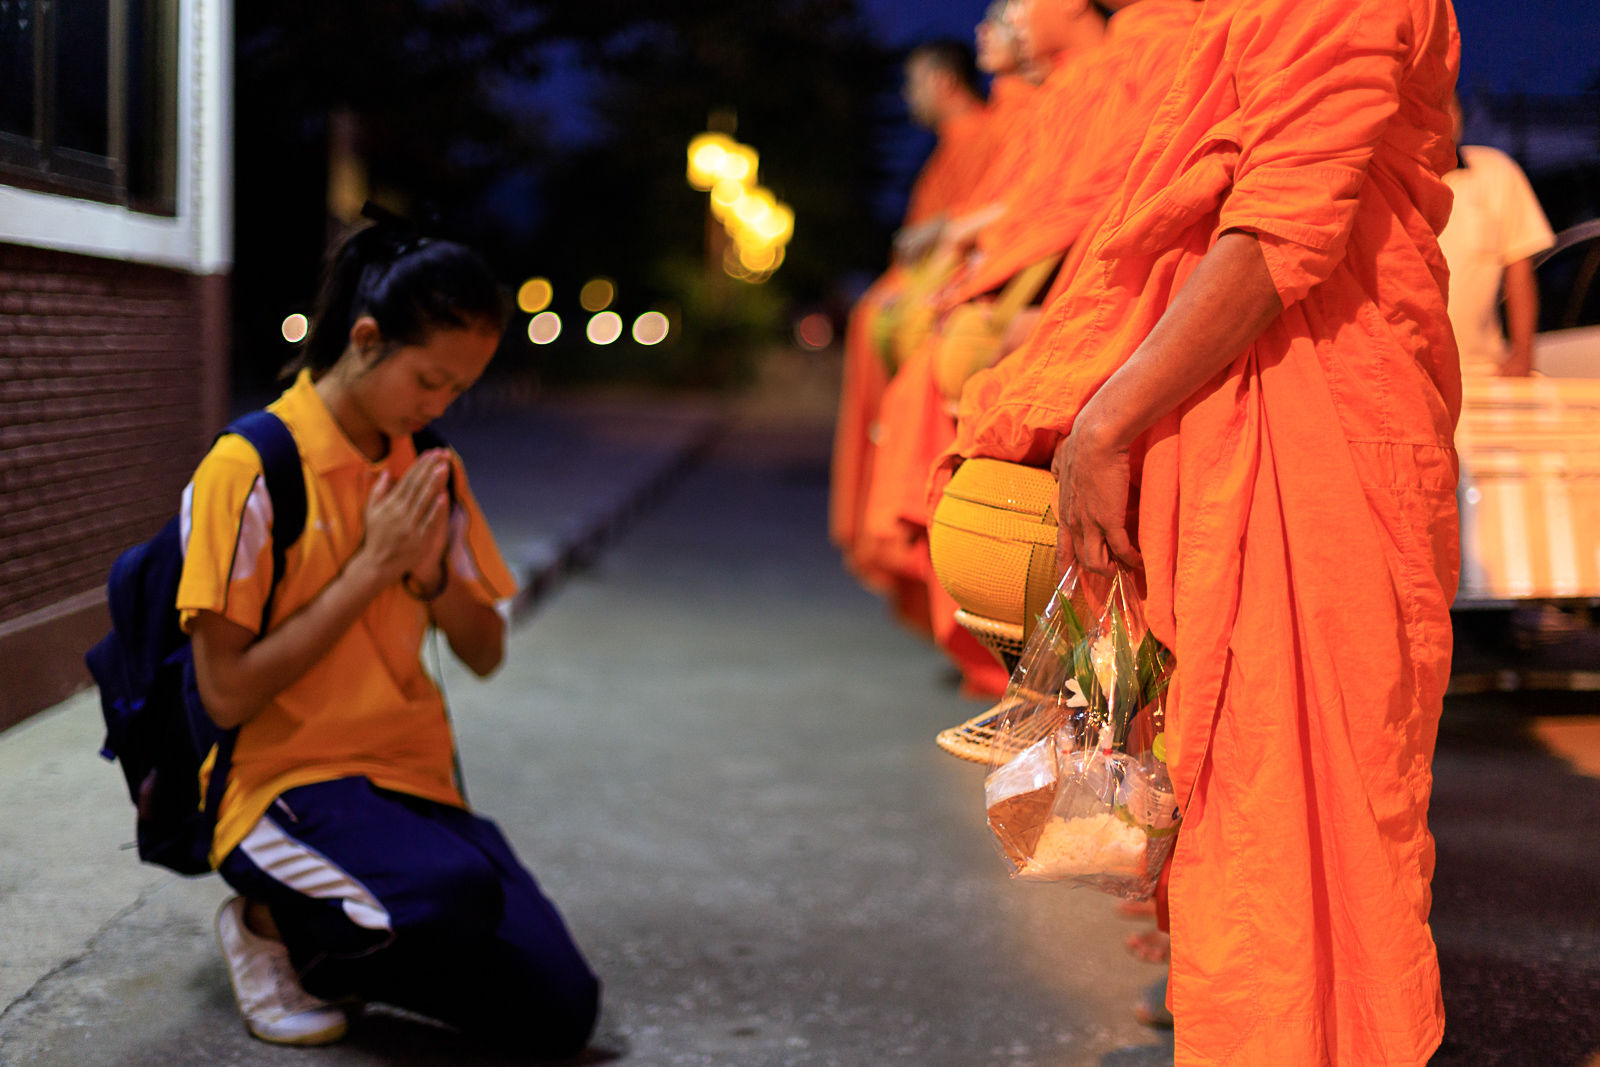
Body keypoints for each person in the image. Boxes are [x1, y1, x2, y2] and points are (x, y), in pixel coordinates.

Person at [937, 0, 1461, 1059]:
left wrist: (1107, 416)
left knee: (1309, 820)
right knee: (1226, 796)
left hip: (1313, 421)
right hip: (1219, 418)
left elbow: (1285, 224)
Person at [178, 221, 600, 1052]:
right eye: (430, 380)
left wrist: (435, 572)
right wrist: (370, 569)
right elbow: (223, 691)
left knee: (559, 1011)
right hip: (282, 782)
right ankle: (268, 925)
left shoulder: (429, 460)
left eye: (459, 389)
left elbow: (483, 651)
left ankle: (339, 949)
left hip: (408, 779)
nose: (439, 406)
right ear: (366, 339)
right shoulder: (252, 468)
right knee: (448, 895)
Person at [830, 35, 997, 629]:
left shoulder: (991, 133)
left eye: (912, 82)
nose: (908, 96)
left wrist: (948, 239)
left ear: (940, 81)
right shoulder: (953, 147)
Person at [1437, 93, 1555, 377]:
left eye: (1450, 105)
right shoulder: (1389, 184)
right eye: (1432, 106)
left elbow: (1519, 266)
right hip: (1403, 374)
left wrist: (1523, 355)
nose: (1444, 118)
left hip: (1480, 370)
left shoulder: (1496, 174)